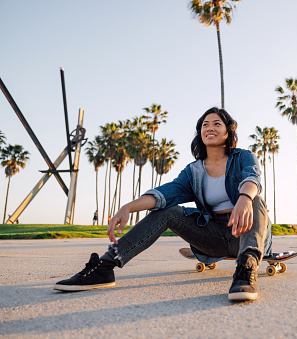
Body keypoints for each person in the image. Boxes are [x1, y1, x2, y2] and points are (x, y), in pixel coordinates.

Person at [53, 107, 272, 302]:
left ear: (228, 131)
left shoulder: (243, 157)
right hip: (213, 237)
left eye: (217, 123)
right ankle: (106, 266)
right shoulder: (193, 171)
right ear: (200, 133)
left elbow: (252, 179)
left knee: (256, 200)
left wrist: (244, 198)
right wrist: (128, 207)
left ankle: (246, 269)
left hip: (246, 233)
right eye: (205, 124)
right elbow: (164, 194)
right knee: (169, 211)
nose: (210, 128)